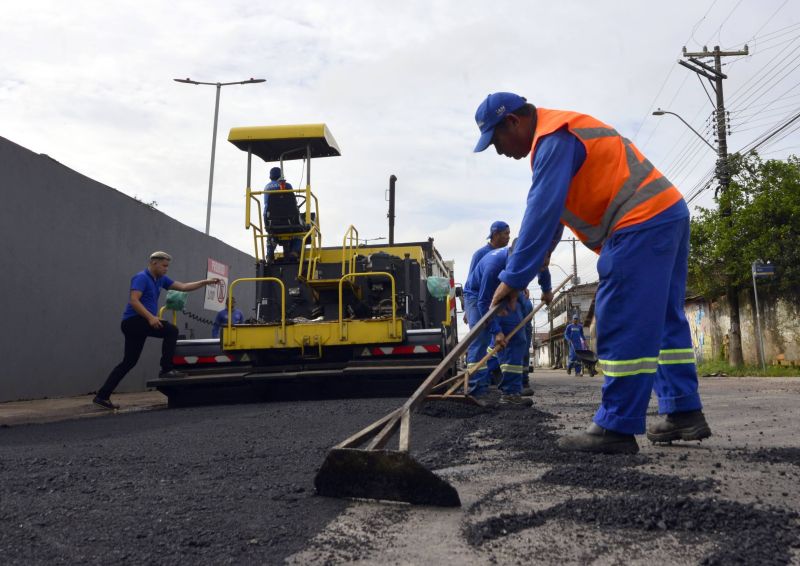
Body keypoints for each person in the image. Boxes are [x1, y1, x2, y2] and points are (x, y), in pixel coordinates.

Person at [473, 91, 711, 454]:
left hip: (639, 223)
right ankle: (682, 410)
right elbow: (553, 217)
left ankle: (615, 425)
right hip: (666, 214)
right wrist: (542, 255)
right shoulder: (559, 136)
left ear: (513, 122)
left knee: (620, 318)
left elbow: (540, 210)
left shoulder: (553, 139)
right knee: (663, 318)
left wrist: (513, 279)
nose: (499, 151)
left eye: (497, 141)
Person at [93, 251, 220, 410]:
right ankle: (166, 369)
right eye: (164, 266)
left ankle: (102, 396)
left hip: (140, 322)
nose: (166, 269)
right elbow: (134, 301)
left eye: (167, 266)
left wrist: (205, 282)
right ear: (154, 263)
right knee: (171, 331)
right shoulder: (141, 277)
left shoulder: (160, 279)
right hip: (134, 322)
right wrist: (151, 318)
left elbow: (183, 287)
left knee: (129, 362)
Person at [467, 241, 550, 406]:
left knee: (517, 338)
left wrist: (546, 290)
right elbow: (484, 302)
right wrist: (496, 330)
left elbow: (543, 270)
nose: (542, 266)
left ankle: (511, 393)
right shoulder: (493, 266)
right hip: (479, 296)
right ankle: (477, 392)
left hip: (509, 290)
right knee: (481, 339)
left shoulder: (533, 255)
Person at [463, 221, 510, 383]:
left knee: (498, 333)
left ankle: (492, 374)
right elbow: (475, 287)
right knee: (480, 336)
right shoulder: (482, 255)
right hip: (477, 296)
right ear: (496, 234)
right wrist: (468, 310)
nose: (508, 237)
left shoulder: (507, 253)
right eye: (506, 234)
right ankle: (476, 385)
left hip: (493, 296)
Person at [263, 166, 301, 259]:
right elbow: (292, 203)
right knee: (301, 231)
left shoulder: (266, 187)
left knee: (271, 235)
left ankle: (270, 252)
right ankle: (294, 251)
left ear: (270, 177)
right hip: (288, 221)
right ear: (281, 175)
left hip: (271, 221)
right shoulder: (287, 186)